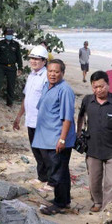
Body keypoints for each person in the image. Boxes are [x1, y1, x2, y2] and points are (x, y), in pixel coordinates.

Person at [76, 71, 112, 212]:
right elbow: (81, 117)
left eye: (101, 86)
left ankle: (108, 208)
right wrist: (78, 133)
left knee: (111, 183)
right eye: (95, 87)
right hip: (93, 149)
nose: (98, 90)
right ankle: (97, 202)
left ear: (108, 85)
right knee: (94, 181)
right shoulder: (87, 100)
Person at [32, 59, 76, 215]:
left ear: (62, 73)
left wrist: (62, 139)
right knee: (56, 169)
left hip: (58, 138)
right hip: (46, 136)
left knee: (59, 171)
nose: (53, 74)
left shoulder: (65, 90)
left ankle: (61, 204)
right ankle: (63, 200)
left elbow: (67, 118)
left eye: (56, 72)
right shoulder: (47, 86)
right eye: (50, 71)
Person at [13, 46, 50, 187]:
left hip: (42, 121)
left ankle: (51, 180)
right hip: (30, 120)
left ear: (44, 61)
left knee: (45, 152)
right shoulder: (31, 75)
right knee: (36, 151)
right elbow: (26, 98)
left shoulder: (46, 77)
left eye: (37, 59)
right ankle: (42, 177)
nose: (33, 61)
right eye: (32, 58)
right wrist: (18, 117)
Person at [0, 28, 23, 107]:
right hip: (1, 67)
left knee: (11, 85)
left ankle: (9, 103)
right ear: (4, 35)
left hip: (12, 67)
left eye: (11, 34)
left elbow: (19, 56)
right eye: (8, 34)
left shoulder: (16, 44)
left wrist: (20, 67)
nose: (9, 36)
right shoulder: (0, 43)